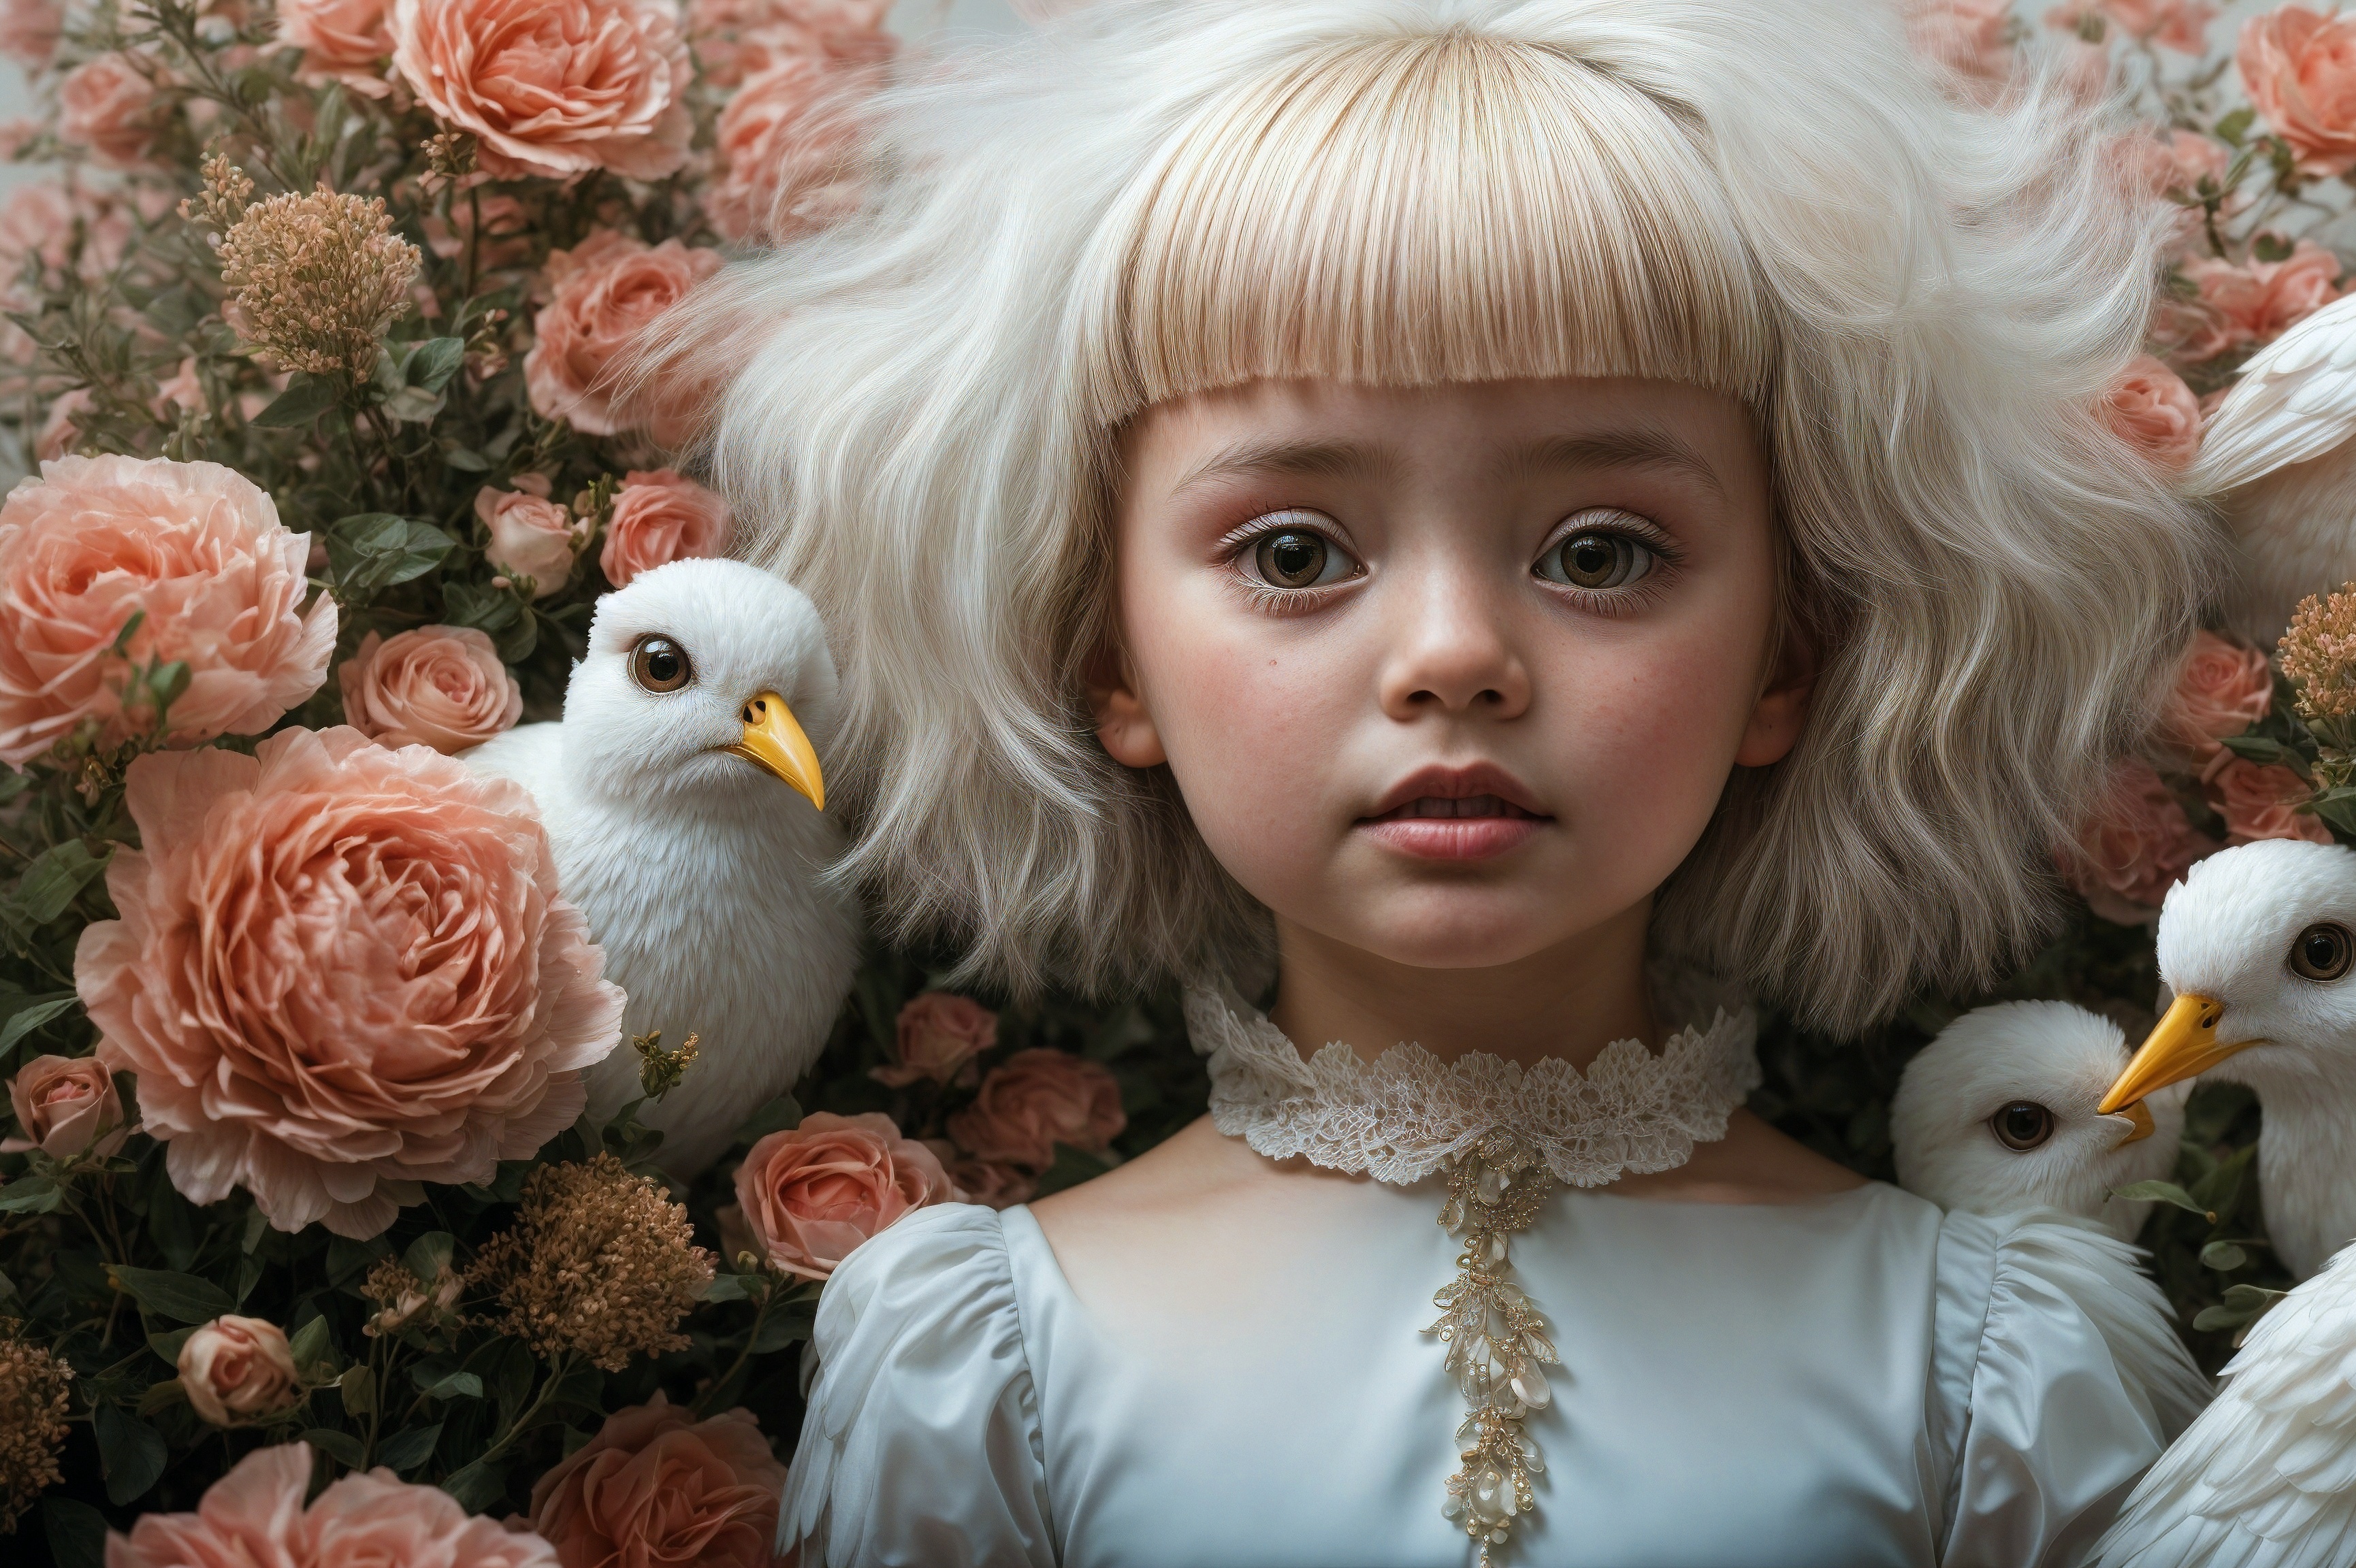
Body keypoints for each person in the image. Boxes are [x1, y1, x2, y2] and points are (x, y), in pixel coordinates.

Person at [670, 1, 2221, 1562]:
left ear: (1787, 654)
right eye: (1295, 554)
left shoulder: (1984, 1371)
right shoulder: (992, 1366)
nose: (1455, 656)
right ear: (1106, 654)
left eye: (1600, 554)